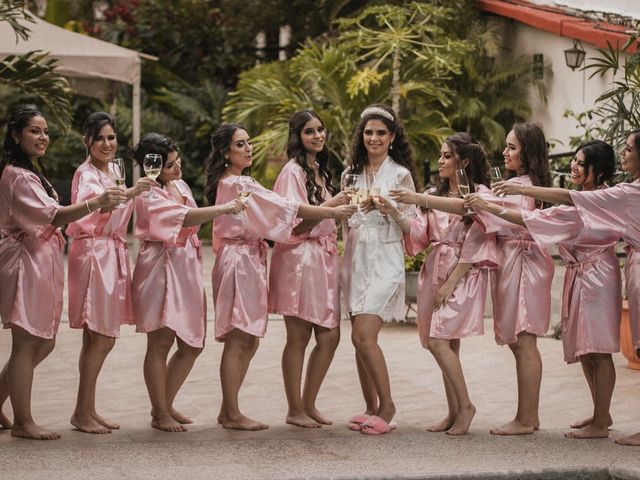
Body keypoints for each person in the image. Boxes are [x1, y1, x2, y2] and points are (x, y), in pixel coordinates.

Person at [487, 130, 640, 445]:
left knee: (598, 351)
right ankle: (602, 413)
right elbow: (546, 215)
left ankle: (600, 419)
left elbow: (543, 216)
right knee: (587, 350)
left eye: (580, 164)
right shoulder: (610, 196)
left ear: (597, 171)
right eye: (573, 160)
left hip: (597, 275)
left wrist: (491, 206)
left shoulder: (604, 200)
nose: (573, 167)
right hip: (585, 273)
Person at [205, 123, 355, 431]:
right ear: (224, 152)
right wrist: (331, 209)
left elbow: (277, 209)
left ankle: (227, 409)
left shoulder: (241, 180)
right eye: (240, 144)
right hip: (238, 259)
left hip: (249, 257)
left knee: (248, 340)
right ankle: (233, 413)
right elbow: (285, 208)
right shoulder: (237, 183)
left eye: (248, 142)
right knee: (239, 338)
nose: (248, 148)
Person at [0, 106, 125, 440]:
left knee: (44, 341)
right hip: (26, 262)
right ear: (15, 135)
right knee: (28, 342)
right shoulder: (16, 174)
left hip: (42, 262)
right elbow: (52, 216)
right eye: (34, 131)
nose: (42, 137)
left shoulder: (31, 171)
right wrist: (96, 203)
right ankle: (24, 422)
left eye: (45, 131)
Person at [381, 133, 496, 435]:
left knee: (437, 341)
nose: (441, 161)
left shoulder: (478, 193)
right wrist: (393, 211)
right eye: (441, 155)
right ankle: (453, 411)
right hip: (435, 269)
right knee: (447, 344)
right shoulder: (435, 193)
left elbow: (477, 239)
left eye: (447, 156)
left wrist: (450, 284)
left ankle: (467, 406)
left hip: (462, 274)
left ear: (464, 161)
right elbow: (419, 234)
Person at [131, 133, 243, 433]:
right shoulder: (148, 193)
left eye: (176, 159)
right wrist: (224, 208)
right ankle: (160, 411)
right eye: (169, 165)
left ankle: (163, 404)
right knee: (161, 340)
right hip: (160, 268)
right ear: (150, 167)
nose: (177, 167)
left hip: (186, 267)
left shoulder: (178, 185)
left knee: (192, 343)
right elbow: (185, 218)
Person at [462, 122, 554, 435]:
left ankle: (526, 418)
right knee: (520, 342)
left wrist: (483, 204)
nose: (505, 152)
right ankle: (529, 415)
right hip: (513, 262)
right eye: (506, 146)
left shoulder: (525, 187)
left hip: (524, 263)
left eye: (512, 147)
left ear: (528, 153)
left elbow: (515, 220)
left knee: (525, 341)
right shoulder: (520, 185)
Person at [66, 112, 154, 434]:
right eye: (100, 138)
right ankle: (81, 411)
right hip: (94, 252)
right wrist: (133, 192)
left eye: (111, 137)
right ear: (86, 141)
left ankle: (85, 408)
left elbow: (118, 203)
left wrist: (132, 191)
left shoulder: (114, 169)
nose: (107, 144)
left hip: (111, 252)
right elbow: (101, 206)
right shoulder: (86, 174)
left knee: (97, 338)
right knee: (101, 335)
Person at [341, 104, 417, 435]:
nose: (374, 138)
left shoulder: (400, 175)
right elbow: (346, 217)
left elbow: (413, 223)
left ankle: (387, 406)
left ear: (392, 137)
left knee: (364, 335)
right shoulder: (350, 174)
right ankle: (370, 405)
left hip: (385, 257)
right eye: (369, 132)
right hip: (357, 257)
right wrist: (352, 207)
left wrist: (388, 208)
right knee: (358, 338)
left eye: (381, 133)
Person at [268, 110, 348, 428]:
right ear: (297, 136)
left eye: (320, 129)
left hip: (323, 259)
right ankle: (294, 408)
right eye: (309, 131)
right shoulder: (292, 172)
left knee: (330, 336)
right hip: (299, 260)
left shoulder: (319, 169)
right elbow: (297, 225)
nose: (318, 135)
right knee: (298, 336)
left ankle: (309, 402)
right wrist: (334, 206)